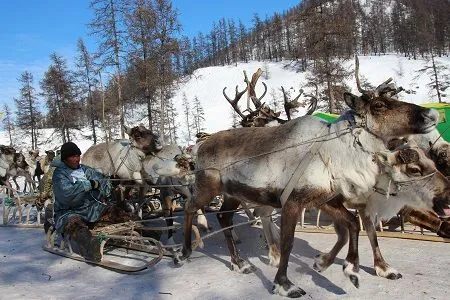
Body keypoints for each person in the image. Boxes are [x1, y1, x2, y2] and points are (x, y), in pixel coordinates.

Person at [52, 141, 132, 262]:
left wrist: (110, 182)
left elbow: (101, 180)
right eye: (73, 157)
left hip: (92, 208)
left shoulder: (85, 170)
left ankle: (138, 230)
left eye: (78, 156)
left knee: (117, 212)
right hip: (69, 211)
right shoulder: (59, 174)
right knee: (76, 226)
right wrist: (88, 185)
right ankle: (91, 246)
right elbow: (66, 193)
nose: (77, 159)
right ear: (65, 159)